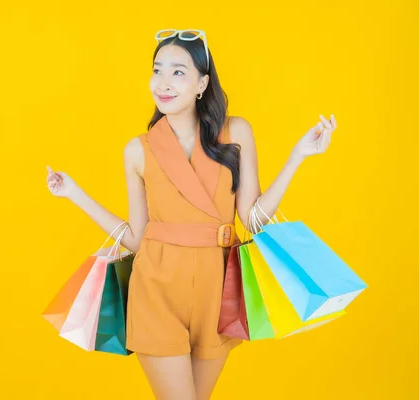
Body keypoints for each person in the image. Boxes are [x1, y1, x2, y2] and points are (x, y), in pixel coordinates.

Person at [46, 29, 337, 400]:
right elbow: (135, 237)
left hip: (217, 289)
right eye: (157, 70)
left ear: (202, 83)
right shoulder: (138, 150)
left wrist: (298, 155)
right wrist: (74, 194)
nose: (163, 83)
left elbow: (253, 220)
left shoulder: (236, 132)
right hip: (156, 288)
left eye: (178, 72)